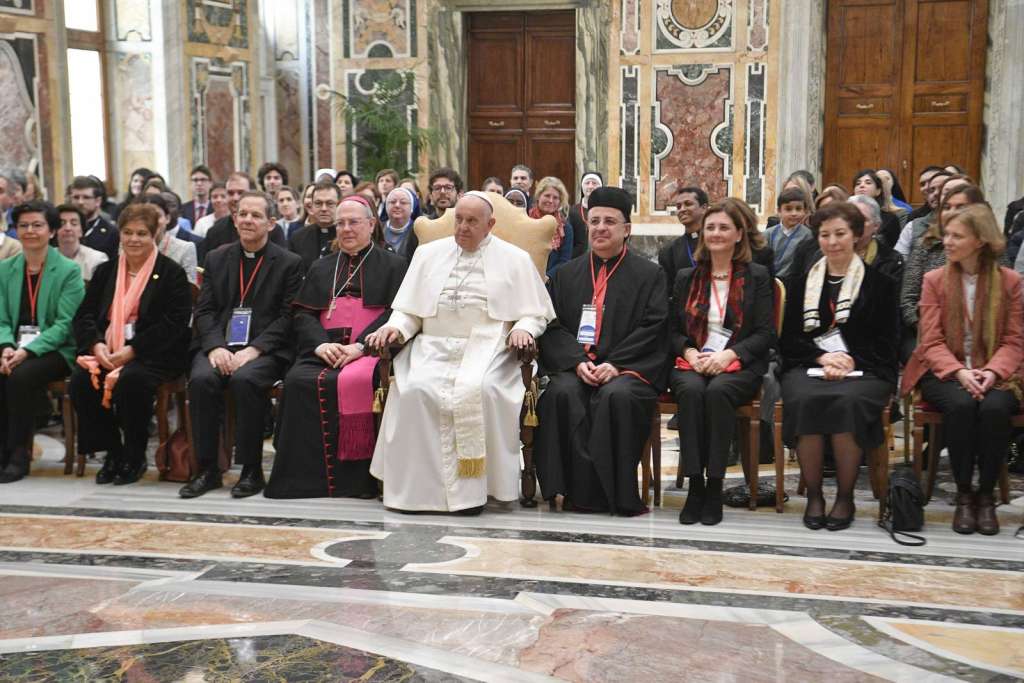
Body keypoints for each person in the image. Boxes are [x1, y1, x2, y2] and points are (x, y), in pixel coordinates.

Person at [366, 192, 554, 513]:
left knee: (481, 390)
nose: (463, 228)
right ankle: (417, 491)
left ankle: (475, 491)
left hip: (491, 346)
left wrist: (523, 328)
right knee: (413, 391)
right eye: (459, 220)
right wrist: (395, 327)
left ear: (490, 224)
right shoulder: (427, 255)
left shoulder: (515, 259)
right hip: (431, 345)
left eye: (472, 221)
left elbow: (535, 312)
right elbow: (409, 310)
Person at [534, 186, 668, 515]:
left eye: (610, 221)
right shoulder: (565, 275)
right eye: (594, 221)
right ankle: (570, 492)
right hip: (578, 365)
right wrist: (578, 362)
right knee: (561, 393)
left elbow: (655, 326)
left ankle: (614, 494)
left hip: (626, 370)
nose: (600, 228)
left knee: (615, 396)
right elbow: (552, 326)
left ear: (627, 229)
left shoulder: (650, 275)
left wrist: (616, 364)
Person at [265, 195, 408, 499]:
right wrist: (318, 346)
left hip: (369, 350)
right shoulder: (321, 267)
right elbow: (302, 313)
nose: (345, 229)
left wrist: (360, 346)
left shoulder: (394, 265)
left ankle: (358, 483)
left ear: (371, 225)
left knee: (359, 381)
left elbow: (395, 314)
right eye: (340, 223)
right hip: (324, 349)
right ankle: (301, 481)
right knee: (296, 382)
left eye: (353, 222)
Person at [901, 204, 1021, 535]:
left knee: (996, 407)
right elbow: (930, 341)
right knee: (962, 404)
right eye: (947, 234)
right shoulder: (934, 280)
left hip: (998, 373)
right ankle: (965, 494)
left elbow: (1014, 340)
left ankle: (986, 497)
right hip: (944, 371)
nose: (948, 242)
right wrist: (961, 373)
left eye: (957, 235)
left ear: (981, 240)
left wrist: (993, 372)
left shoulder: (1010, 282)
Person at [779, 202, 899, 531]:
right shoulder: (800, 283)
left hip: (867, 370)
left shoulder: (881, 284)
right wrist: (822, 357)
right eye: (825, 235)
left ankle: (845, 497)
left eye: (840, 234)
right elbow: (788, 341)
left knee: (848, 402)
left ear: (857, 235)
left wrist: (849, 361)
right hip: (809, 366)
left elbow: (888, 344)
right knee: (803, 399)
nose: (832, 242)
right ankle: (815, 496)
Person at [181, 192, 303, 499]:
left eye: (256, 215)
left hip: (265, 350)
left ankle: (251, 470)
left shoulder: (288, 263)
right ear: (234, 220)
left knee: (246, 380)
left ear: (271, 223)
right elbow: (205, 310)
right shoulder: (217, 258)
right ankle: (207, 469)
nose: (247, 220)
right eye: (242, 214)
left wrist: (253, 350)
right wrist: (215, 347)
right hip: (219, 345)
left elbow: (288, 316)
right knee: (201, 379)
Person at [668, 200, 774, 525]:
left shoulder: (756, 276)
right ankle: (694, 486)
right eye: (710, 227)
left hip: (739, 362)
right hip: (694, 361)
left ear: (739, 234)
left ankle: (714, 486)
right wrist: (688, 353)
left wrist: (729, 354)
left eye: (724, 227)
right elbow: (671, 330)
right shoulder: (687, 277)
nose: (715, 233)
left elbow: (765, 333)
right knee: (690, 391)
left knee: (718, 392)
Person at [70, 204, 192, 485]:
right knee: (81, 381)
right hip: (108, 349)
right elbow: (85, 315)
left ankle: (135, 456)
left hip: (154, 353)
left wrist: (133, 349)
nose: (134, 239)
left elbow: (174, 323)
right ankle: (114, 451)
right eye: (127, 233)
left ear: (155, 236)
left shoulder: (170, 273)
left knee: (132, 381)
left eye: (142, 233)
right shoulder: (106, 271)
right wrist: (96, 345)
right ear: (119, 235)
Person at [0, 202, 85, 482]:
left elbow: (64, 325)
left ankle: (18, 454)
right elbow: (1, 320)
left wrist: (26, 351)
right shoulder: (5, 269)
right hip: (14, 348)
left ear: (51, 231)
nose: (30, 231)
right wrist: (6, 347)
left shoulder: (67, 271)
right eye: (23, 225)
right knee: (6, 371)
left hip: (56, 351)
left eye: (37, 225)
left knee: (20, 376)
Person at [900, 183, 985, 361]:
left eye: (960, 207)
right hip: (928, 332)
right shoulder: (926, 244)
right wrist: (927, 329)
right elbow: (908, 299)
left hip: (982, 337)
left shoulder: (991, 253)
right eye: (947, 207)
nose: (951, 212)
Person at [203, 172, 286, 257]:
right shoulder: (215, 231)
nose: (235, 198)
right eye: (230, 193)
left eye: (241, 193)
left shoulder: (272, 230)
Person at [137, 195, 199, 286]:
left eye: (157, 216)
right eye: (145, 216)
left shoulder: (185, 249)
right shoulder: (129, 246)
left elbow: (189, 290)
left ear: (167, 218)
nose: (152, 221)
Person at [657, 186, 709, 294]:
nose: (682, 209)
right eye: (678, 206)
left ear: (704, 208)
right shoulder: (668, 251)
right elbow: (667, 292)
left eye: (688, 204)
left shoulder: (718, 241)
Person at [894, 169, 953, 258]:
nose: (936, 193)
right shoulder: (912, 226)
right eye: (932, 190)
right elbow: (900, 260)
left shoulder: (970, 225)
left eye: (942, 189)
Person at [289, 181, 342, 272]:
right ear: (312, 206)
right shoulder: (298, 237)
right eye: (318, 203)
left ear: (339, 204)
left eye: (330, 203)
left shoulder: (347, 235)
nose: (324, 209)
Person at [764, 187, 812, 279]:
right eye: (788, 209)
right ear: (779, 211)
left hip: (794, 283)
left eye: (798, 209)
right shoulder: (768, 234)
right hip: (769, 280)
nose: (794, 213)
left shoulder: (808, 235)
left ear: (805, 211)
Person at [530, 177, 574, 276]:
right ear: (538, 196)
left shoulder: (565, 228)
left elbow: (564, 261)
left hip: (551, 283)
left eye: (555, 198)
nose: (550, 201)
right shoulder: (526, 220)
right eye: (547, 196)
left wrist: (546, 278)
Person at [69, 176, 119, 260]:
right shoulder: (62, 229)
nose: (80, 202)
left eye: (86, 197)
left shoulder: (111, 233)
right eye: (76, 197)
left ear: (98, 201)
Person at [56, 204, 107, 281]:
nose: (68, 228)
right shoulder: (45, 258)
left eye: (74, 223)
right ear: (53, 230)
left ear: (81, 231)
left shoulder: (97, 259)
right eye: (61, 223)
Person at [852, 170, 902, 248]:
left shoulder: (890, 219)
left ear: (878, 191)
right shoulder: (845, 216)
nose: (861, 186)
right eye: (858, 183)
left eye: (868, 183)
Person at [567, 171, 602, 258]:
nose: (590, 186)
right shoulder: (572, 211)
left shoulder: (605, 210)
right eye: (587, 183)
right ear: (582, 186)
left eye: (594, 183)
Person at [380, 187, 421, 259]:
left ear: (412, 208)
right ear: (386, 206)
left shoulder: (419, 230)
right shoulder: (378, 228)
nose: (397, 205)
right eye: (392, 202)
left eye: (403, 202)